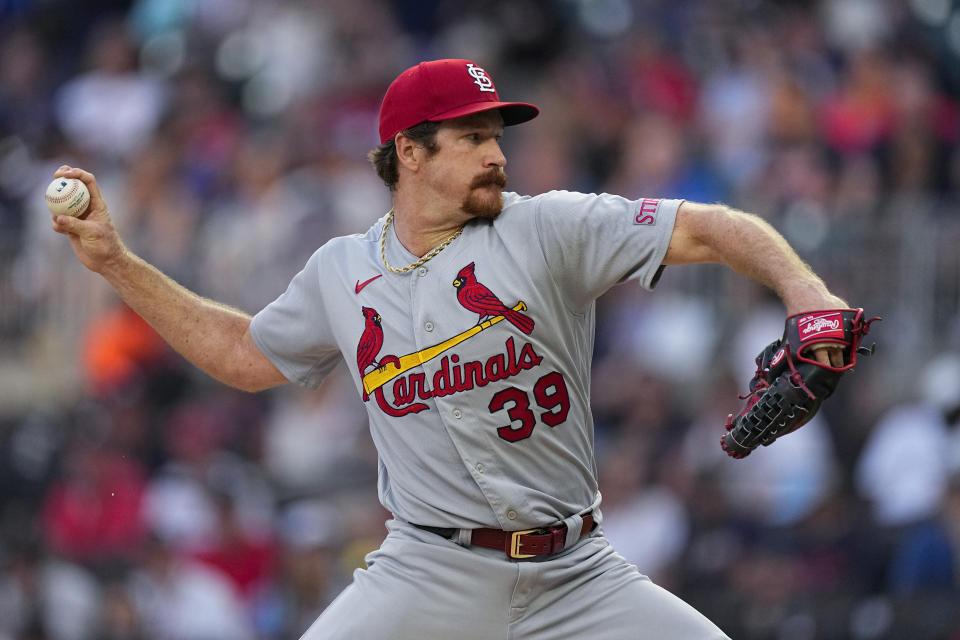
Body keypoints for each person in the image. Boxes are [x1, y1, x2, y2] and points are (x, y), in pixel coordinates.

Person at [51, 58, 852, 639]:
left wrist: (807, 294)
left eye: (496, 135)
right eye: (473, 137)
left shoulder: (547, 227)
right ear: (410, 151)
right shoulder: (342, 272)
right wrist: (118, 263)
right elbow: (241, 354)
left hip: (576, 571)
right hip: (428, 572)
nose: (498, 153)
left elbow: (706, 226)